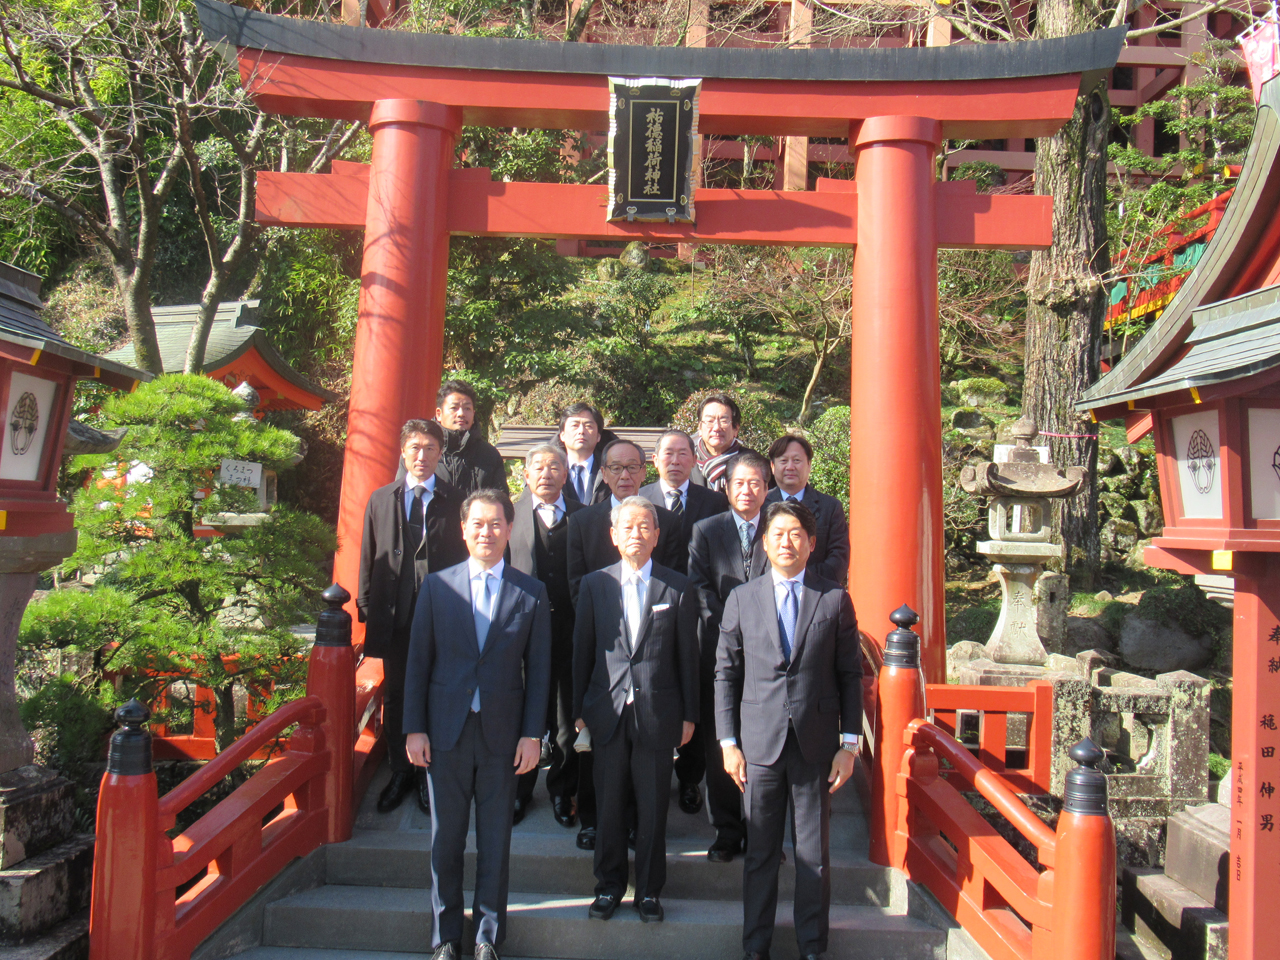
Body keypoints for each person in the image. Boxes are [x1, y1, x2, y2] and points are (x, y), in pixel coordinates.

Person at [403, 490, 552, 960]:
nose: (486, 533)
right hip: (444, 732)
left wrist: (534, 734)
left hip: (502, 735)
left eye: (496, 525)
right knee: (444, 839)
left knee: (495, 839)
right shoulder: (437, 587)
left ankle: (489, 935)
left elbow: (541, 670)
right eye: (478, 525)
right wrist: (414, 727)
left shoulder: (530, 591)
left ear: (510, 530)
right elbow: (417, 663)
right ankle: (446, 935)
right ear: (464, 530)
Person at [715, 500, 863, 960]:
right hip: (758, 745)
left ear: (811, 543)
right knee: (760, 854)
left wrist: (850, 744)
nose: (786, 541)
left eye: (796, 534)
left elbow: (850, 676)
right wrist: (727, 742)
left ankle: (813, 948)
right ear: (764, 541)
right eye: (777, 533)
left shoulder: (833, 598)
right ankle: (755, 947)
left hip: (815, 744)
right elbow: (725, 673)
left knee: (813, 855)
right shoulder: (742, 598)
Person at [572, 496, 699, 924]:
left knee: (652, 806)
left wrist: (689, 715)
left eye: (645, 526)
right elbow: (582, 653)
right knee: (608, 806)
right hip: (606, 711)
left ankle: (648, 891)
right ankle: (607, 887)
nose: (636, 534)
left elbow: (688, 657)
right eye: (627, 527)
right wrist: (578, 711)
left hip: (658, 712)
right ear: (613, 535)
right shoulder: (594, 584)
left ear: (657, 535)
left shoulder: (677, 587)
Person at [564, 437, 679, 849]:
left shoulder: (662, 519)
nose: (625, 475)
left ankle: (636, 826)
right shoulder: (582, 520)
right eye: (616, 468)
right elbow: (575, 583)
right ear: (604, 473)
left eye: (633, 467)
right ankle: (594, 822)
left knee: (643, 758)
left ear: (644, 472)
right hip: (601, 643)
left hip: (651, 648)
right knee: (601, 749)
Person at [358, 419, 467, 816]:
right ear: (403, 451)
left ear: (441, 454)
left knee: (438, 691)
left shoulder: (456, 501)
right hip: (396, 615)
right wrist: (367, 608)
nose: (422, 456)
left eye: (430, 449)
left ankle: (430, 773)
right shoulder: (381, 498)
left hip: (443, 614)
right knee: (399, 693)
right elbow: (369, 557)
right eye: (415, 448)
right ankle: (401, 769)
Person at [685, 451, 772, 861]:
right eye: (740, 483)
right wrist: (733, 630)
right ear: (725, 487)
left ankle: (762, 831)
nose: (747, 490)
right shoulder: (706, 530)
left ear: (767, 489)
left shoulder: (779, 528)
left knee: (766, 745)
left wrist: (761, 634)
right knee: (721, 739)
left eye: (756, 483)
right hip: (719, 651)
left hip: (771, 655)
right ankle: (726, 830)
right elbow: (700, 589)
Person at [639, 428, 729, 816]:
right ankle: (648, 777)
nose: (675, 461)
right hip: (646, 611)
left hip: (697, 613)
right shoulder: (639, 498)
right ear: (655, 460)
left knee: (692, 689)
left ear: (695, 460)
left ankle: (691, 778)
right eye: (667, 454)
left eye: (682, 454)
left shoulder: (713, 501)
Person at [508, 444, 587, 828]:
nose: (546, 472)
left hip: (572, 628)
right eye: (538, 466)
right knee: (522, 712)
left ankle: (561, 790)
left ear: (566, 473)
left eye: (554, 466)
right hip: (522, 629)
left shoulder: (585, 517)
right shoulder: (508, 515)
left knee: (566, 715)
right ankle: (518, 791)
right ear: (526, 474)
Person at [764, 435, 850, 585]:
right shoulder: (760, 505)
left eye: (797, 461)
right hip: (768, 590)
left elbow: (839, 558)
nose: (790, 467)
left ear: (809, 465)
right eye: (783, 461)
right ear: (772, 466)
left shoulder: (830, 507)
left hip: (817, 591)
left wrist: (801, 579)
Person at [433, 380, 508, 495]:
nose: (461, 414)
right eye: (454, 408)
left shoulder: (489, 455)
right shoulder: (423, 451)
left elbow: (501, 501)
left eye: (467, 408)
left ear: (473, 413)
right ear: (439, 414)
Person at [691, 393, 760, 494]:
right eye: (710, 421)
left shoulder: (753, 462)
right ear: (700, 428)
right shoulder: (688, 462)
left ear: (736, 428)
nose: (716, 428)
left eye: (724, 421)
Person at [555, 402, 617, 505]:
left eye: (588, 426)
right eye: (575, 425)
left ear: (598, 436)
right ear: (562, 435)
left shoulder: (612, 470)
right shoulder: (548, 470)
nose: (581, 431)